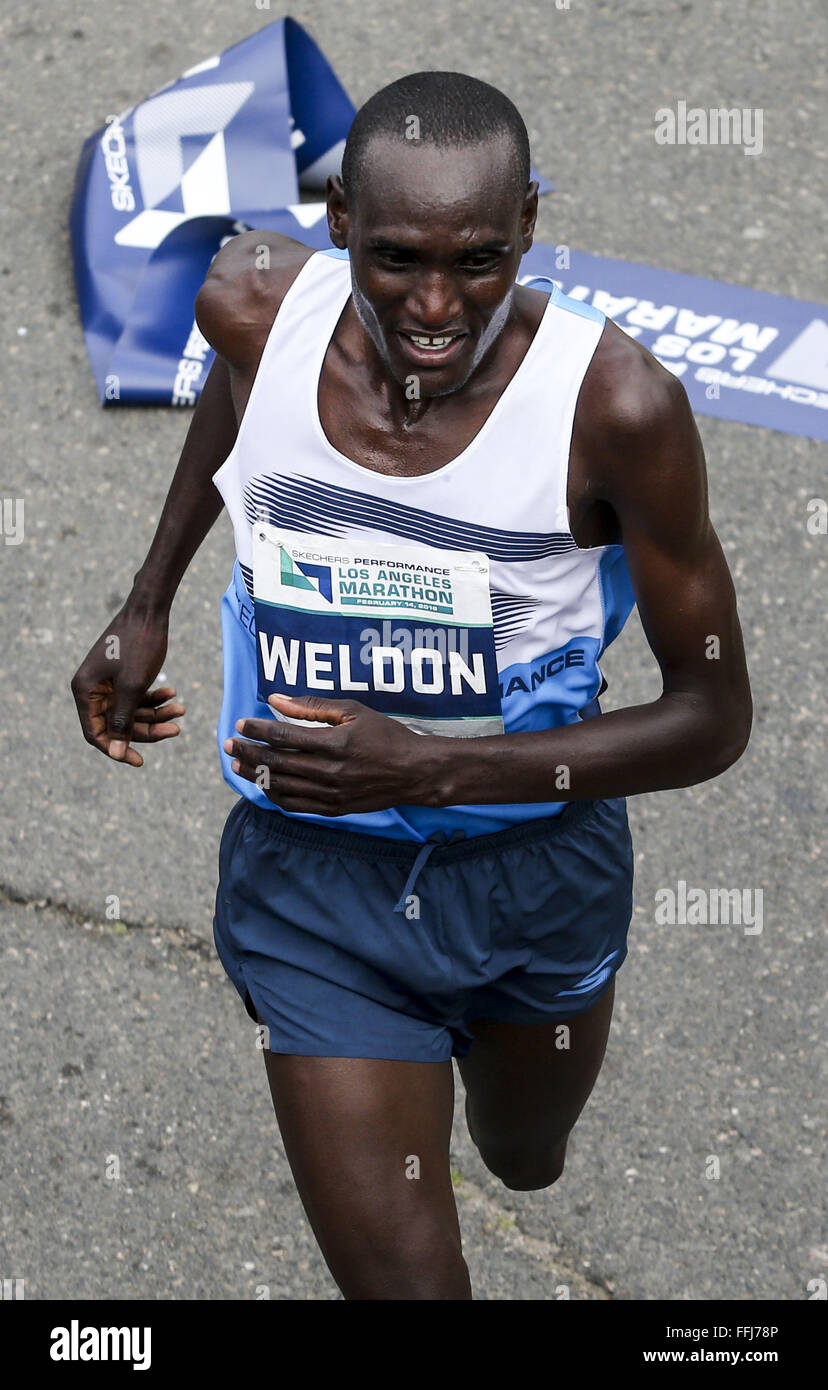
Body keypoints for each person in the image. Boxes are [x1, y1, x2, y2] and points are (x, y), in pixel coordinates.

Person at [71, 71, 752, 1301]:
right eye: (394, 260)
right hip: (313, 874)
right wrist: (148, 599)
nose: (436, 307)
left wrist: (435, 766)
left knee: (524, 1155)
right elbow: (241, 401)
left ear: (531, 226)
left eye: (480, 261)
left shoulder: (616, 409)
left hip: (536, 874)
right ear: (336, 221)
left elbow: (713, 717)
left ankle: (509, 1116)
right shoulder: (252, 308)